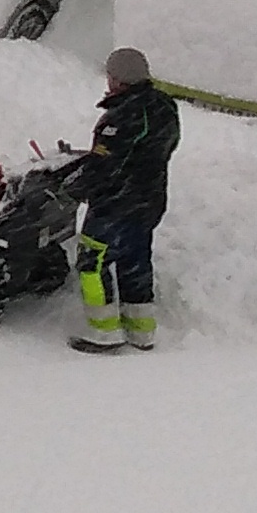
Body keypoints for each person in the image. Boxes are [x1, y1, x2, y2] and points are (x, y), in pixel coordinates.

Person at [70, 47, 179, 352]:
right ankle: (142, 332)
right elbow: (161, 149)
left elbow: (104, 166)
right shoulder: (164, 107)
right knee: (135, 261)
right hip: (149, 201)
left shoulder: (119, 118)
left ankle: (104, 333)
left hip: (115, 205)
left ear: (118, 80)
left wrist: (74, 188)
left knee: (92, 263)